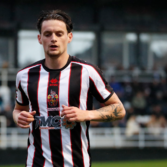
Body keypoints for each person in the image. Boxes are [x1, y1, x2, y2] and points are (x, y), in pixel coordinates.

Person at [12, 10, 126, 167]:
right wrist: (18, 117)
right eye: (47, 34)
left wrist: (86, 114)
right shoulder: (24, 76)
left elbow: (119, 109)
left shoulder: (87, 72)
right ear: (40, 38)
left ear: (69, 37)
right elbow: (18, 110)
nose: (53, 39)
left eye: (59, 34)